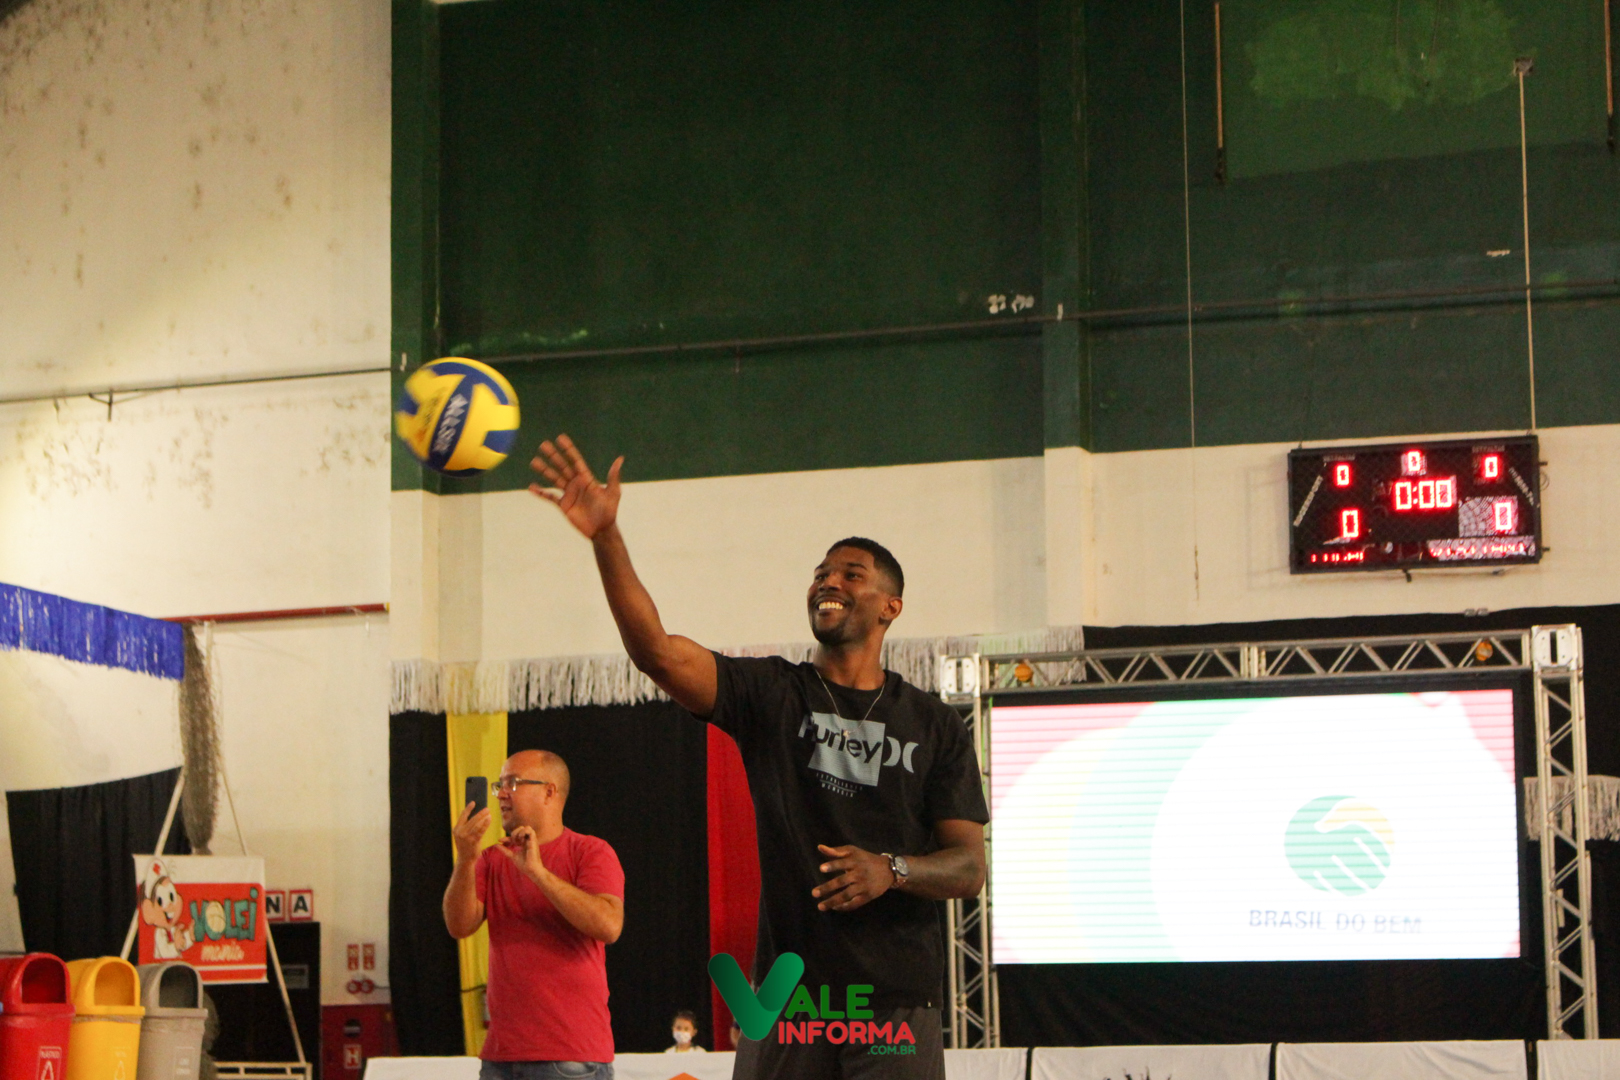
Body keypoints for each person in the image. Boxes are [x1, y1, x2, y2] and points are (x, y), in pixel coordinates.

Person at [531, 435, 988, 1080]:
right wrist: (606, 537)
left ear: (891, 607)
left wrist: (892, 869)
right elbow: (657, 652)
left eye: (851, 574)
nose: (828, 582)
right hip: (784, 1000)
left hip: (893, 1002)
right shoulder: (774, 694)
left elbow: (968, 866)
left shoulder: (934, 725)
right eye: (821, 573)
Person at [443, 749, 626, 1080]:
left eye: (512, 783)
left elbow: (608, 925)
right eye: (499, 785)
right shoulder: (491, 858)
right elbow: (459, 925)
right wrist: (466, 858)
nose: (501, 794)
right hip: (501, 1058)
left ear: (549, 792)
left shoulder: (590, 851)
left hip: (570, 1055)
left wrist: (538, 873)